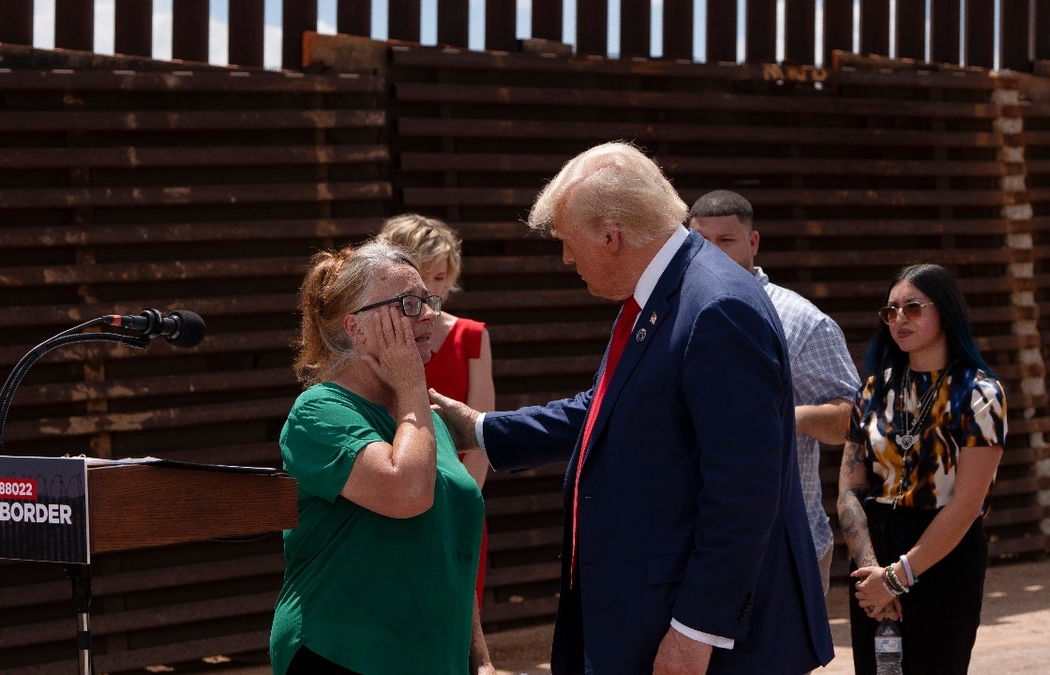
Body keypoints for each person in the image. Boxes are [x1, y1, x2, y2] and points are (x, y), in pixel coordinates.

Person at [430, 141, 833, 674]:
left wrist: (696, 632)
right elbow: (604, 409)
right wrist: (481, 429)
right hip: (649, 612)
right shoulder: (668, 290)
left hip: (701, 639)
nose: (567, 259)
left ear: (610, 236)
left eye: (569, 243)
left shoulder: (715, 307)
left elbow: (744, 491)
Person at [269, 239, 494, 675]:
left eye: (429, 300)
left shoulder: (422, 419)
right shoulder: (319, 412)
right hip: (343, 657)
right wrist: (412, 385)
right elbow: (406, 493)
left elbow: (451, 546)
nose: (430, 314)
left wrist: (479, 659)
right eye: (409, 304)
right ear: (355, 327)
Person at [837, 263, 1006, 675]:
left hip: (943, 553)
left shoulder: (980, 393)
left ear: (945, 311)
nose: (898, 319)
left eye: (912, 307)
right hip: (872, 556)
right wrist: (870, 576)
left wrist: (895, 579)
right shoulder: (874, 390)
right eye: (891, 311)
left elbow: (967, 505)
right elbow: (848, 491)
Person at [689, 189, 861, 594]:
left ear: (753, 243)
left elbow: (852, 418)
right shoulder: (670, 314)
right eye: (699, 242)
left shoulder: (801, 322)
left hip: (781, 545)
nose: (710, 253)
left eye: (726, 241)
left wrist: (784, 419)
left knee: (782, 661)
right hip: (691, 542)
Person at [376, 213, 495, 608]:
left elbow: (478, 440)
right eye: (419, 277)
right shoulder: (370, 339)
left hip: (455, 503)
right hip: (390, 503)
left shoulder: (471, 335)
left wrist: (458, 505)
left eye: (439, 278)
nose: (428, 290)